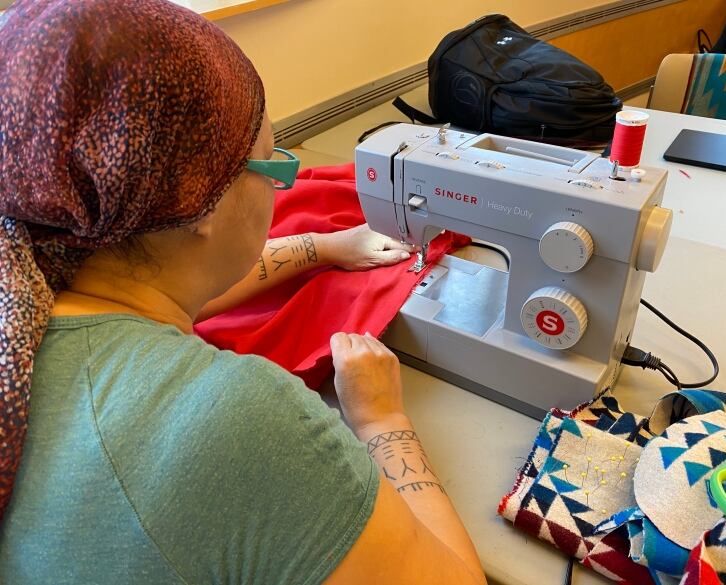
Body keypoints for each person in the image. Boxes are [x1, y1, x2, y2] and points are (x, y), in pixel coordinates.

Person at [0, 1, 487, 584]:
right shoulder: (232, 423)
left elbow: (180, 287)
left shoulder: (36, 269)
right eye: (274, 166)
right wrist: (384, 422)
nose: (283, 186)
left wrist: (319, 246)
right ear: (197, 202)